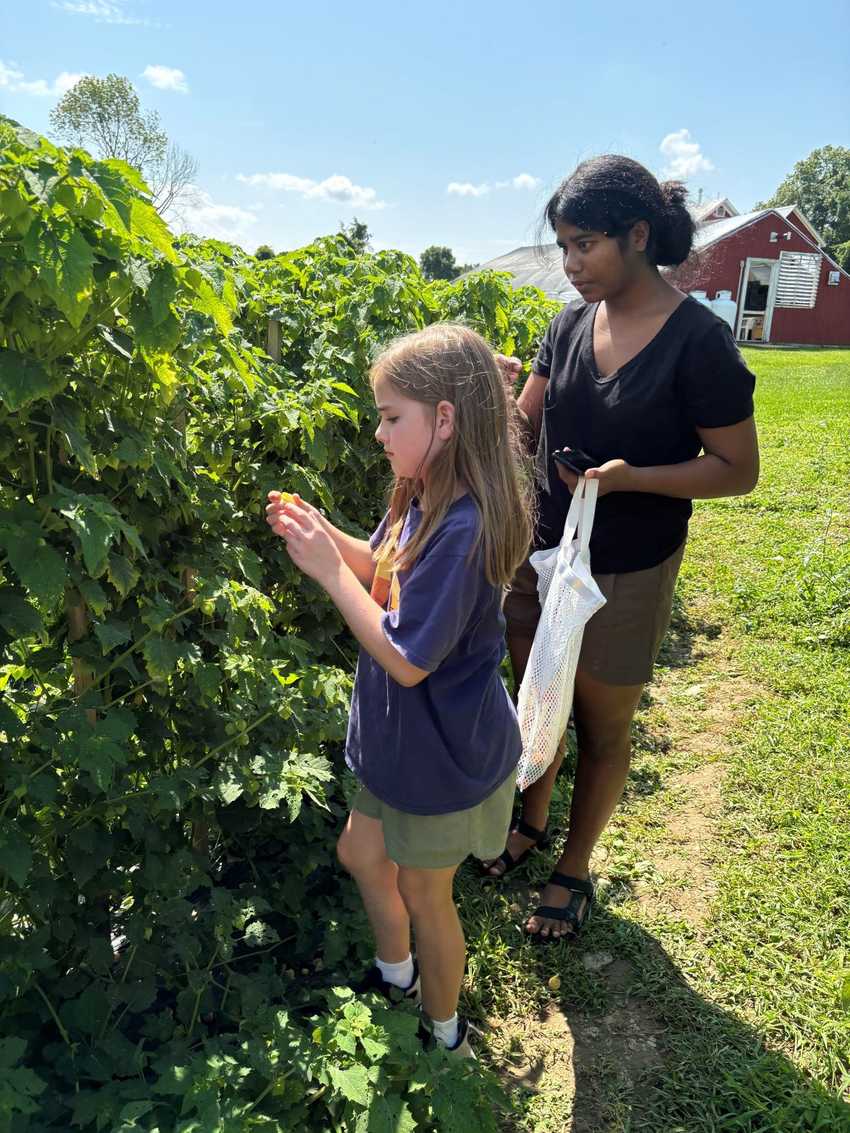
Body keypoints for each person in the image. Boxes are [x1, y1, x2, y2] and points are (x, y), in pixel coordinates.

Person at [482, 155, 760, 943]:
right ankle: (531, 817)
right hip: (544, 552)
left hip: (627, 564)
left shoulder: (698, 344)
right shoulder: (566, 326)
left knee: (604, 722)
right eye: (563, 247)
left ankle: (573, 868)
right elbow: (527, 428)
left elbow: (737, 471)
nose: (571, 266)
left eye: (585, 245)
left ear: (639, 235)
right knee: (540, 697)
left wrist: (635, 477)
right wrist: (504, 393)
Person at [266, 323, 531, 1054]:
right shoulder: (418, 492)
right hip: (398, 741)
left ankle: (444, 1031)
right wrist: (324, 536)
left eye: (391, 417)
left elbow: (408, 657)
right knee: (361, 853)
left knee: (425, 895)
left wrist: (326, 573)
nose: (379, 433)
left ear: (444, 420)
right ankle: (395, 973)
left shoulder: (465, 526)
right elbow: (380, 566)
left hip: (439, 757)